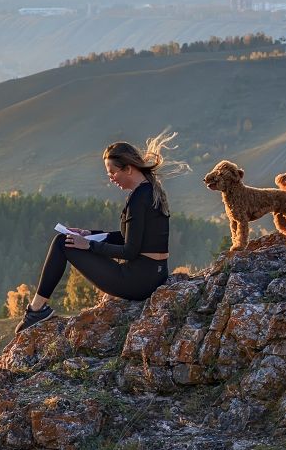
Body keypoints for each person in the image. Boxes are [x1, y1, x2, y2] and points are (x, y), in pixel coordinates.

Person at [15, 132, 177, 333]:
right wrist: (88, 234)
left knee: (62, 243)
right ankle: (36, 310)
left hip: (137, 282)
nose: (111, 179)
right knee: (67, 240)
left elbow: (130, 251)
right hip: (155, 275)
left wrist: (89, 245)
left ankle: (36, 310)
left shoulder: (138, 198)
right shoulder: (151, 190)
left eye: (112, 173)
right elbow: (129, 236)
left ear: (128, 169)